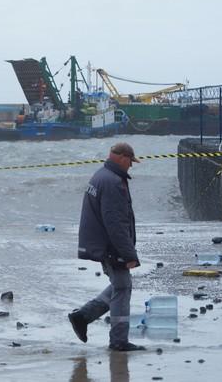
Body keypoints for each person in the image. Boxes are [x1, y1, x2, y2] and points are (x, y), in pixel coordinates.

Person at [68, 142, 146, 352]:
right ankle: (118, 340)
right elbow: (116, 223)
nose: (131, 166)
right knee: (122, 287)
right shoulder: (113, 182)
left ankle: (82, 316)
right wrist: (129, 254)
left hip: (102, 243)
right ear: (123, 158)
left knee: (119, 285)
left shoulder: (100, 176)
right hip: (111, 245)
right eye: (131, 162)